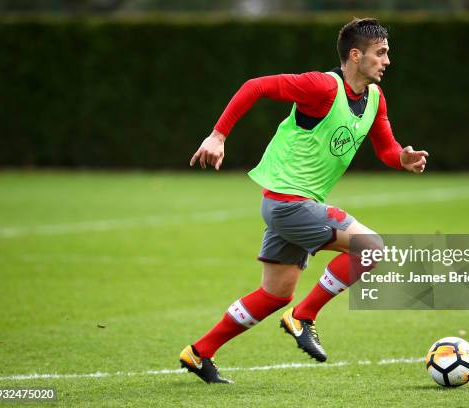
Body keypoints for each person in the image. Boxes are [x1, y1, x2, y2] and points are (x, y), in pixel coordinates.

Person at [180, 17, 428, 384]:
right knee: (371, 248)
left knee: (275, 294)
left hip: (295, 206)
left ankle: (199, 353)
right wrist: (218, 135)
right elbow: (255, 86)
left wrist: (402, 159)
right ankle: (304, 316)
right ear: (356, 55)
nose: (387, 60)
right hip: (288, 203)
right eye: (381, 53)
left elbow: (386, 148)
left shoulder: (374, 98)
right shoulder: (321, 87)